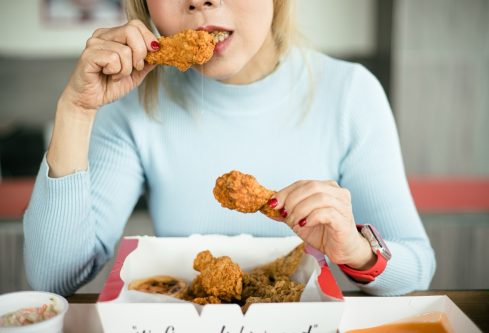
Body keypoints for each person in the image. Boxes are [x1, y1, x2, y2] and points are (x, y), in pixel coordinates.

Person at [24, 0, 435, 296]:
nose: (201, 2)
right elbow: (52, 280)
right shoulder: (130, 100)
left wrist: (356, 251)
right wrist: (76, 111)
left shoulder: (350, 93)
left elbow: (417, 268)